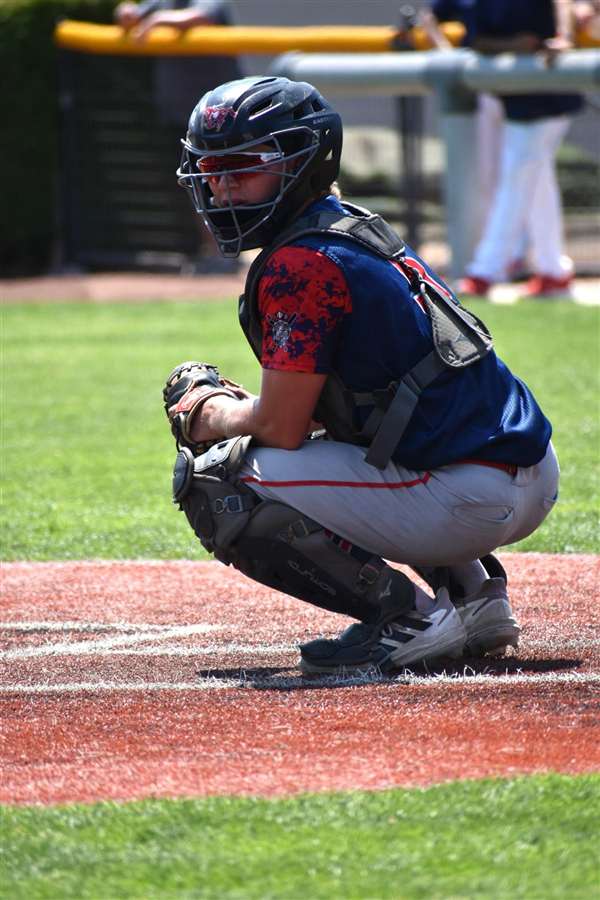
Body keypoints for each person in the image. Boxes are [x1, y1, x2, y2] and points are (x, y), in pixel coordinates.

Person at [166, 75, 559, 676]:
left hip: (468, 493)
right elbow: (346, 403)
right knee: (342, 438)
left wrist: (209, 411)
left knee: (216, 478)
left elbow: (281, 426)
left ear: (303, 162)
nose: (221, 186)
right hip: (521, 468)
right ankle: (474, 598)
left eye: (242, 165)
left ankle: (410, 621)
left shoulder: (300, 262)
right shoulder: (349, 227)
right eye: (212, 169)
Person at [458, 0, 584, 298]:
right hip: (514, 99)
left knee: (518, 173)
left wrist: (564, 37)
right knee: (537, 182)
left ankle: (485, 270)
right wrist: (513, 44)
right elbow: (476, 41)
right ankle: (554, 271)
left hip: (550, 95)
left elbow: (561, 3)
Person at [114, 0, 243, 271]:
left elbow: (201, 17)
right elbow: (130, 14)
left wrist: (158, 20)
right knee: (197, 185)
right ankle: (216, 251)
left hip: (222, 118)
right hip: (182, 117)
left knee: (230, 181)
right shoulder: (164, 3)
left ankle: (230, 251)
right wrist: (126, 12)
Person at [420, 1, 529, 276]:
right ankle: (495, 253)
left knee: (519, 171)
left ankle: (514, 255)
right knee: (486, 174)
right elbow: (430, 17)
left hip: (519, 84)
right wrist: (448, 56)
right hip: (481, 86)